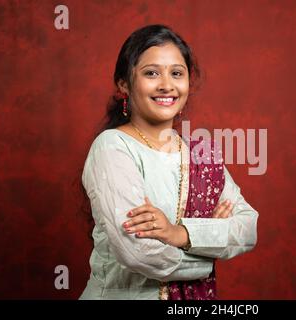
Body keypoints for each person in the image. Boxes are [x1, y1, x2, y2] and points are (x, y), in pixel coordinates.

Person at [79, 24, 258, 300]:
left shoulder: (201, 155)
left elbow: (247, 228)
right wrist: (208, 255)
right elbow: (138, 252)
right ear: (124, 84)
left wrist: (179, 233)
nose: (166, 85)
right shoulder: (113, 148)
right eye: (151, 73)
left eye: (177, 73)